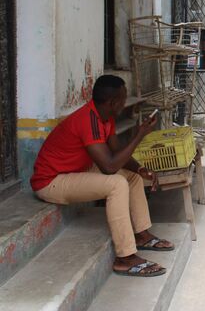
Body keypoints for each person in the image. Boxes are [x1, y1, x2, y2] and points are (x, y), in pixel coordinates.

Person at [30, 75, 174, 277]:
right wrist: (140, 135)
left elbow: (115, 153)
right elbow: (109, 166)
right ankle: (125, 258)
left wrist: (140, 168)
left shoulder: (104, 118)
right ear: (113, 102)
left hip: (75, 172)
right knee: (117, 183)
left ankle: (142, 235)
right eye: (123, 99)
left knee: (132, 178)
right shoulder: (88, 120)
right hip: (51, 182)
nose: (125, 102)